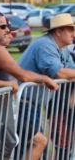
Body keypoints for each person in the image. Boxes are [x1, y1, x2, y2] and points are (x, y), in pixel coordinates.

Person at [0, 10, 58, 160]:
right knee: (39, 141)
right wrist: (44, 78)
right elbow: (23, 75)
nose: (8, 31)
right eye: (4, 27)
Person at [19, 13, 75, 158]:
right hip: (22, 104)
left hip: (32, 105)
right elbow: (61, 73)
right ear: (58, 31)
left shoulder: (61, 49)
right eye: (70, 29)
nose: (73, 34)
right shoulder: (45, 45)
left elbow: (71, 71)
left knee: (35, 148)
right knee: (35, 146)